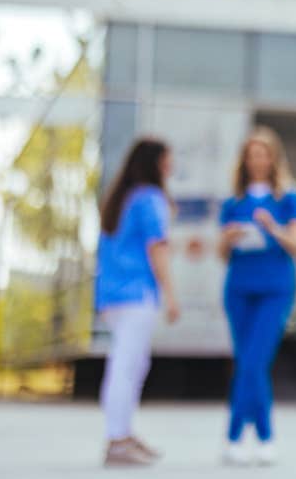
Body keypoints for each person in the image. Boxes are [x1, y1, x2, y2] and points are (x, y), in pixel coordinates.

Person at [216, 126, 296, 466]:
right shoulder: (232, 203)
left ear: (273, 158)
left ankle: (248, 435)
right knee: (245, 363)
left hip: (275, 290)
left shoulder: (289, 199)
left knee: (255, 361)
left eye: (263, 153)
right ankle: (248, 438)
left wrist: (273, 228)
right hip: (239, 289)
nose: (257, 160)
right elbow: (222, 254)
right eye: (251, 154)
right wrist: (229, 237)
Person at [95, 137, 181, 467]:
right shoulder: (150, 199)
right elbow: (158, 248)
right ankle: (117, 439)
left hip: (113, 296)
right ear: (157, 162)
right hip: (138, 295)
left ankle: (123, 434)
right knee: (127, 367)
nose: (172, 165)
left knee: (127, 365)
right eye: (169, 159)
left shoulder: (120, 199)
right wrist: (171, 296)